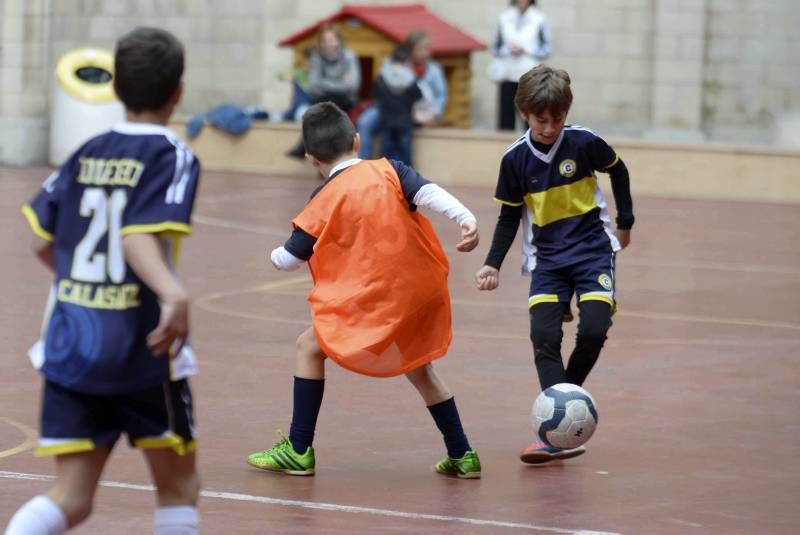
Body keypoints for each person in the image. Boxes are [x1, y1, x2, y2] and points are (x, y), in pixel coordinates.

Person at [6, 27, 201, 535]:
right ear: (178, 91)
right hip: (144, 349)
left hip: (71, 342)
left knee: (72, 498)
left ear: (115, 89)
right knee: (178, 489)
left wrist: (84, 282)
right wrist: (171, 291)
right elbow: (137, 238)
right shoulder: (171, 155)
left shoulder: (84, 151)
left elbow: (41, 240)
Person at [247, 102, 482, 479]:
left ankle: (298, 448)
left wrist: (273, 255)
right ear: (356, 141)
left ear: (311, 158)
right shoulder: (390, 170)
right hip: (414, 294)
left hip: (373, 301)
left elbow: (290, 258)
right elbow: (430, 193)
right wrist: (466, 219)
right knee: (420, 369)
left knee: (307, 348)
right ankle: (462, 453)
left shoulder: (323, 198)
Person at [475, 65, 634, 464]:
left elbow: (619, 169)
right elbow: (509, 216)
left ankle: (563, 407)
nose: (549, 127)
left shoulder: (583, 143)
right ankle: (555, 433)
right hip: (547, 261)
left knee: (594, 330)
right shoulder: (514, 160)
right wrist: (492, 263)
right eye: (540, 119)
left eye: (556, 118)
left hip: (593, 250)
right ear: (525, 114)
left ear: (566, 112)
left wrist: (625, 220)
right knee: (543, 338)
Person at [357, 30, 448, 159]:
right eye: (420, 49)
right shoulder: (394, 62)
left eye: (427, 49)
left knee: (401, 142)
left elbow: (440, 96)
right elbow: (381, 86)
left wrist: (434, 114)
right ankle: (363, 165)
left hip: (415, 112)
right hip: (387, 109)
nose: (425, 53)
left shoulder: (434, 70)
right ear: (410, 50)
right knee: (365, 122)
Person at [288, 24, 361, 159]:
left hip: (345, 101)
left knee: (322, 112)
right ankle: (326, 158)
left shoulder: (349, 57)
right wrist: (340, 83)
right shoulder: (316, 57)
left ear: (339, 40)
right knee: (325, 111)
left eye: (332, 40)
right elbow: (313, 85)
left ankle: (305, 145)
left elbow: (352, 86)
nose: (329, 44)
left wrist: (325, 82)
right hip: (321, 99)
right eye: (325, 40)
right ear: (320, 42)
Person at [489, 0, 552, 131]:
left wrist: (526, 49)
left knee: (530, 115)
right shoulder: (504, 17)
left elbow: (546, 49)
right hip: (508, 73)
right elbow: (496, 47)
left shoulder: (539, 18)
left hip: (529, 75)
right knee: (506, 116)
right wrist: (508, 49)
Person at [372, 45, 423, 165]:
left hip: (386, 118)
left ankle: (384, 174)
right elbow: (418, 95)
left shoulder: (382, 76)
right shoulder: (409, 78)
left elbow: (375, 93)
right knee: (405, 150)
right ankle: (406, 176)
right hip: (404, 119)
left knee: (386, 150)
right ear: (407, 60)